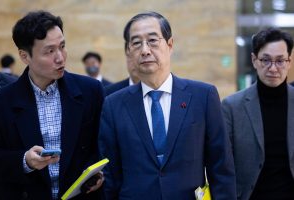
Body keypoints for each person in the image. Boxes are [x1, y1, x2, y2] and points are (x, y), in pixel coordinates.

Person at [99, 11, 236, 200]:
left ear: (170, 44)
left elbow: (221, 167)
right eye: (136, 43)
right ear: (129, 51)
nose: (145, 50)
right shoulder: (113, 105)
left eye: (153, 40)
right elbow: (110, 177)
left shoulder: (202, 96)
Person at [0, 11, 104, 200]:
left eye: (62, 46)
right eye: (49, 51)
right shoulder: (1, 101)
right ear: (24, 56)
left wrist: (98, 173)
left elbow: (102, 144)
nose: (60, 57)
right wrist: (25, 161)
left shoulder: (90, 91)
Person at [222, 27, 294, 200]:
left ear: (289, 61)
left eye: (280, 61)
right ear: (254, 60)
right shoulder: (231, 107)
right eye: (266, 60)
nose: (273, 68)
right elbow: (223, 165)